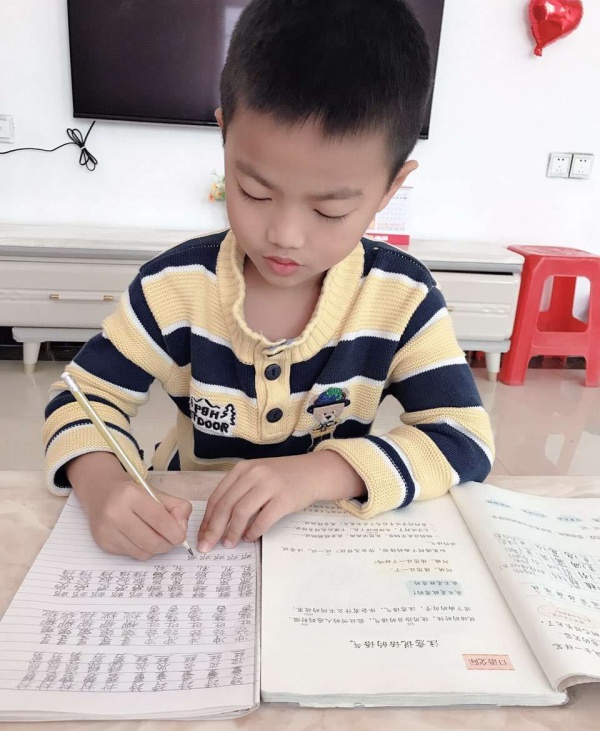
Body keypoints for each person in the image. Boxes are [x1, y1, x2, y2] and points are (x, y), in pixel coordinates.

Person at [43, 0, 494, 560]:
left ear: (390, 189)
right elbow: (81, 400)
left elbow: (463, 439)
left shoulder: (402, 298)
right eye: (254, 192)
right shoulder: (174, 287)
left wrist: (321, 472)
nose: (285, 235)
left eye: (329, 211)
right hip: (189, 538)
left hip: (323, 549)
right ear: (224, 135)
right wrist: (101, 483)